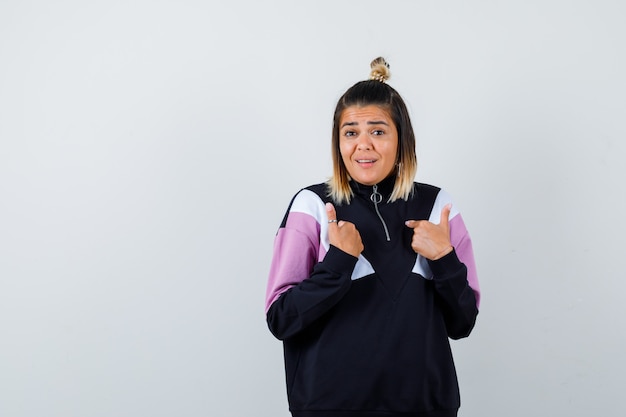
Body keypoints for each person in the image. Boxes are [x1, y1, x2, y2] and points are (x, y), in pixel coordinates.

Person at [265, 57, 480, 417]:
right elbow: (281, 319)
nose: (363, 145)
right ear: (338, 142)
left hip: (425, 407)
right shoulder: (313, 205)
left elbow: (463, 323)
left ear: (402, 139)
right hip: (330, 407)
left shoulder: (436, 206)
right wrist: (338, 262)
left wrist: (443, 259)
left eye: (378, 131)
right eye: (351, 132)